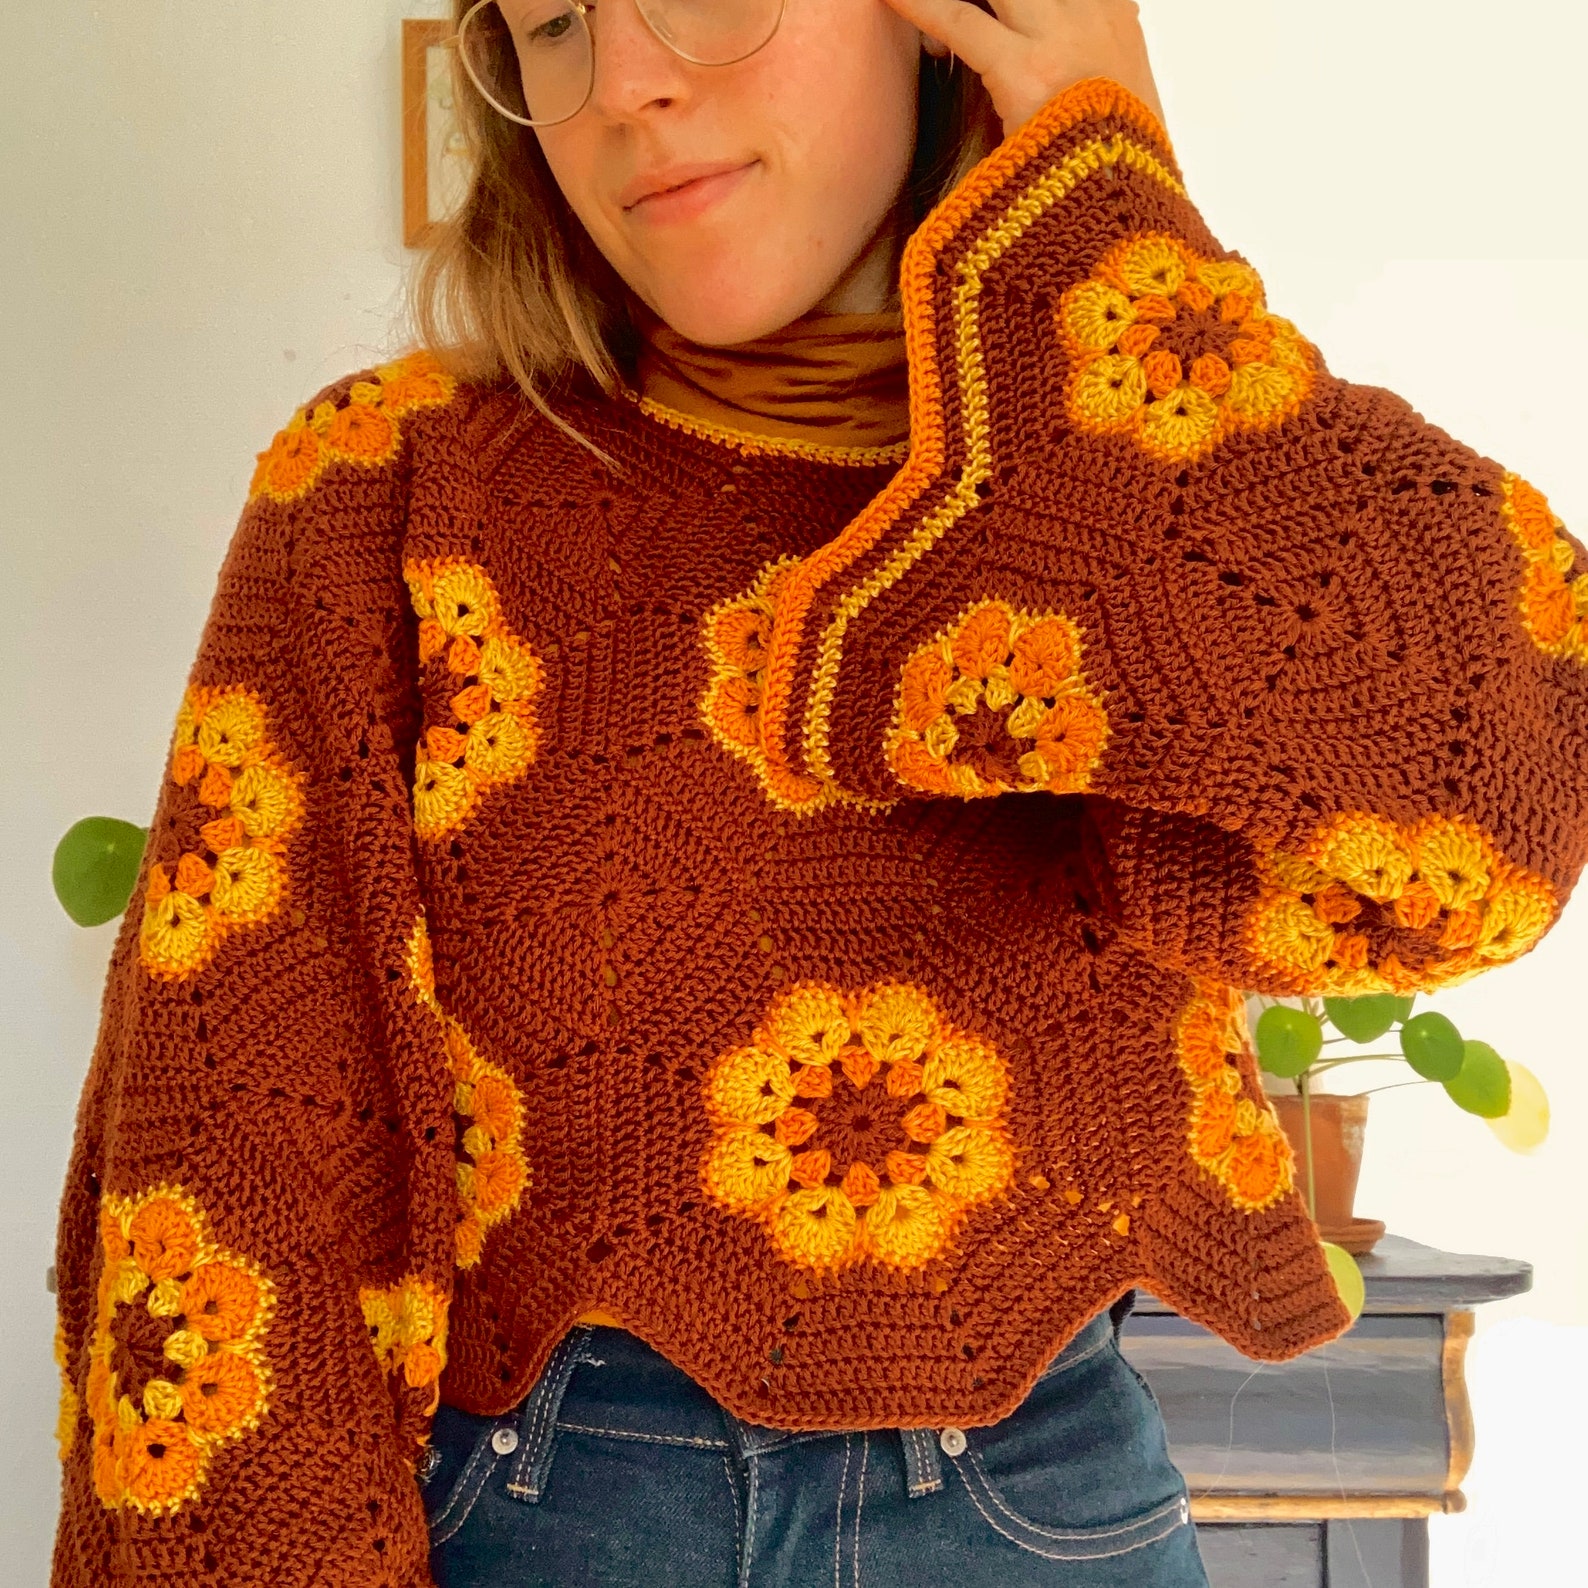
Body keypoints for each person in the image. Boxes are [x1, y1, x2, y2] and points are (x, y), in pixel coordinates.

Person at [48, 2, 1588, 1585]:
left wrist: (1115, 208)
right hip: (536, 1509)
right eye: (555, 21)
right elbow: (235, 1176)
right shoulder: (393, 484)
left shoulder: (1119, 490)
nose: (627, 84)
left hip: (1036, 1507)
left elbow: (1482, 827)